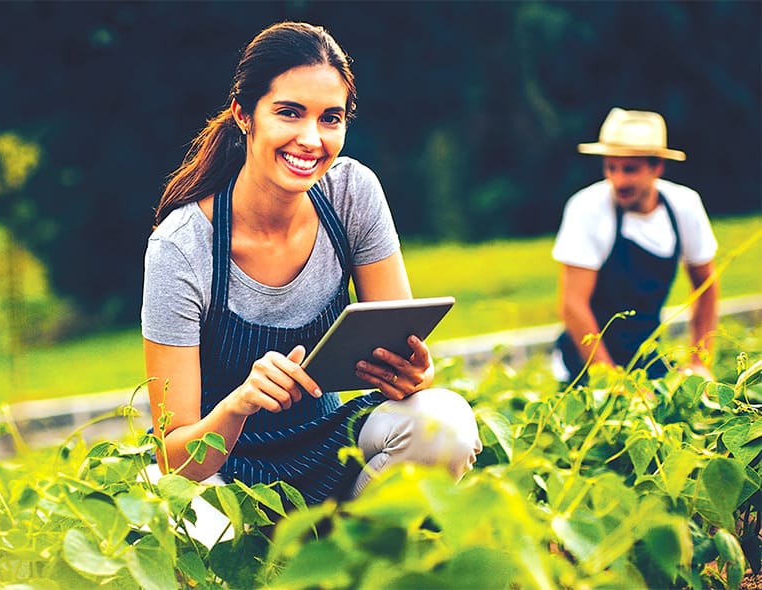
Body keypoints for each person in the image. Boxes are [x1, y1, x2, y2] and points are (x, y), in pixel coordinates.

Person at [141, 21, 482, 506]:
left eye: (330, 118)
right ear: (243, 114)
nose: (311, 138)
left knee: (442, 422)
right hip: (222, 471)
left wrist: (413, 376)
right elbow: (175, 459)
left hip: (327, 439)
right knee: (179, 506)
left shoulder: (351, 194)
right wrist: (240, 403)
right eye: (289, 113)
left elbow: (400, 349)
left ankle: (351, 564)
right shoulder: (181, 247)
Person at [552, 107, 719, 384]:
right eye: (611, 168)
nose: (618, 180)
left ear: (657, 167)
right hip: (584, 358)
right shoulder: (587, 208)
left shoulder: (684, 206)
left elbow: (706, 287)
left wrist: (699, 362)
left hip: (646, 353)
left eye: (630, 169)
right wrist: (610, 380)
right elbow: (573, 305)